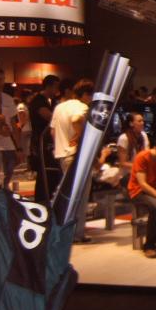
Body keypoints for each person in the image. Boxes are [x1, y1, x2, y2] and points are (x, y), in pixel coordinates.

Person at [50, 78, 94, 242]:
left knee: (68, 196)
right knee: (80, 198)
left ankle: (65, 231)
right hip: (77, 156)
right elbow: (76, 120)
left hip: (63, 155)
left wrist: (64, 143)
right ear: (86, 95)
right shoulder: (82, 107)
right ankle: (77, 234)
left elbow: (53, 132)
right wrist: (79, 137)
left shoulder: (59, 107)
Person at [0, 67, 22, 191]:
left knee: (2, 184)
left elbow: (14, 125)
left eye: (3, 80)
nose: (1, 83)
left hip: (7, 146)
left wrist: (19, 148)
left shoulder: (7, 99)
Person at [28, 74, 60, 202]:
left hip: (49, 142)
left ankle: (49, 198)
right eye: (56, 87)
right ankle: (41, 200)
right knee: (43, 173)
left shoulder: (51, 101)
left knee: (50, 173)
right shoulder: (38, 101)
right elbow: (49, 117)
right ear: (49, 86)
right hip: (40, 142)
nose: (57, 90)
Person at [116, 112, 150, 189]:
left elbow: (147, 155)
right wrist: (140, 166)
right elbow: (123, 163)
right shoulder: (123, 138)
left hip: (142, 171)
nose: (142, 123)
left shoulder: (144, 135)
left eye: (143, 121)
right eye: (139, 121)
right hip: (128, 173)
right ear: (131, 124)